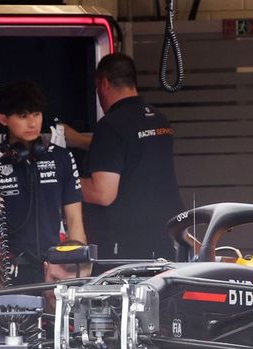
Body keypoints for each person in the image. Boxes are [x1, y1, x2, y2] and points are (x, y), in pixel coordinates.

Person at [63, 53, 183, 260]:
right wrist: (80, 141)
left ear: (104, 84)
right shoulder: (158, 119)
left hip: (127, 246)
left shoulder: (111, 126)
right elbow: (132, 150)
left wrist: (60, 181)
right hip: (166, 234)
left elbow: (102, 193)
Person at [0, 81, 84, 285]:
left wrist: (77, 267)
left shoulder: (62, 157)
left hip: (55, 264)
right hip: (8, 268)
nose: (32, 123)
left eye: (36, 114)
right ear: (3, 118)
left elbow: (74, 220)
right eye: (23, 116)